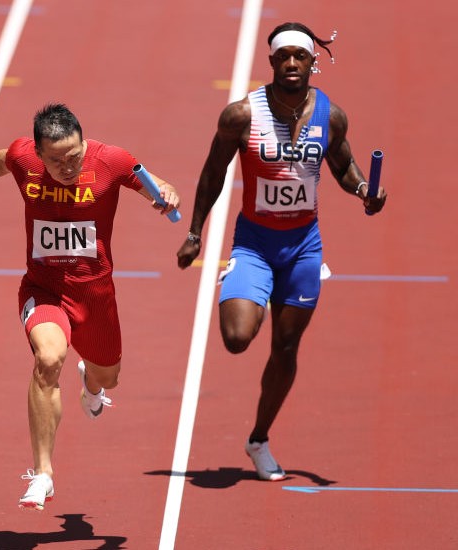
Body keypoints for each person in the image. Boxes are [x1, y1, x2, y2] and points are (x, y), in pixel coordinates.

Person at [0, 103, 180, 510]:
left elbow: (154, 183)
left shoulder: (112, 160)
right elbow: (1, 161)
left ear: (84, 143)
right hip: (43, 287)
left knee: (109, 377)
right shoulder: (22, 156)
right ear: (38, 153)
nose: (67, 167)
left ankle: (93, 384)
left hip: (95, 293)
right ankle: (42, 473)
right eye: (56, 160)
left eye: (74, 156)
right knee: (48, 360)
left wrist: (167, 193)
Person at [176, 22, 387, 481]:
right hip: (254, 242)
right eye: (283, 56)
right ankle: (251, 290)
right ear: (271, 62)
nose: (292, 64)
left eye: (301, 56)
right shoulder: (241, 116)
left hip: (304, 247)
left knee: (286, 347)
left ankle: (259, 439)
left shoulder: (330, 116)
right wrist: (195, 232)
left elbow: (343, 164)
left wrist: (365, 190)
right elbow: (213, 173)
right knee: (236, 338)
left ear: (313, 63)